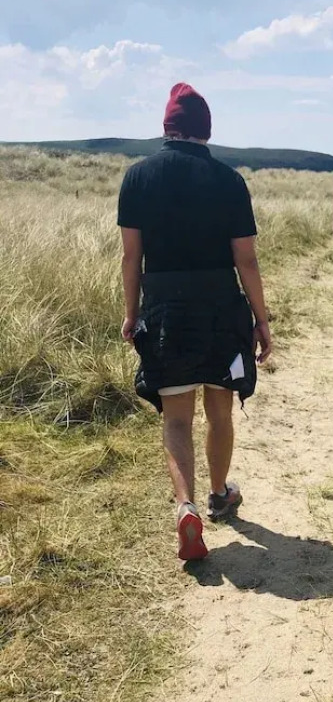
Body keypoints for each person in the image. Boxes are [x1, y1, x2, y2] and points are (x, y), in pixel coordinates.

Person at [117, 83, 273, 562]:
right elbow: (245, 258)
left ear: (167, 127)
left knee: (177, 417)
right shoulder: (229, 180)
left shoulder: (138, 178)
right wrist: (262, 320)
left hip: (163, 306)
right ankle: (221, 492)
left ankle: (186, 507)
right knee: (219, 411)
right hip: (221, 308)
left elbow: (130, 257)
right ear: (206, 130)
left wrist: (131, 314)